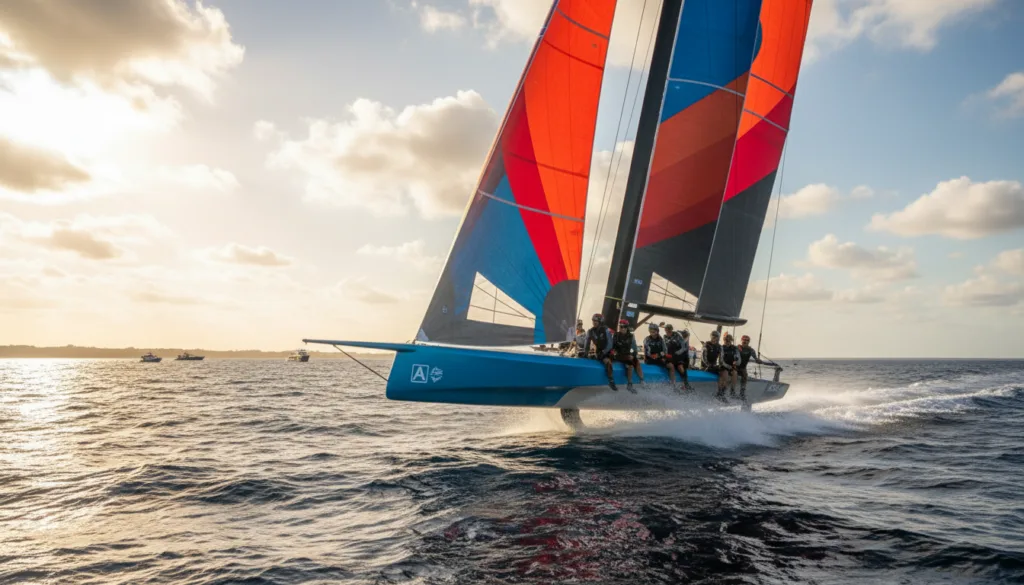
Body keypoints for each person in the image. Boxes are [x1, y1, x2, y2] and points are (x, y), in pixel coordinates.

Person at [584, 313, 616, 390]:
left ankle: (611, 380)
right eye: (593, 320)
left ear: (600, 322)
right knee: (585, 356)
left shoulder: (606, 330)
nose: (594, 322)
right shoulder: (590, 331)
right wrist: (585, 353)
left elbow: (610, 344)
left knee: (607, 362)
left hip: (607, 352)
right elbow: (587, 344)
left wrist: (604, 352)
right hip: (598, 352)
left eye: (596, 321)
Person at [737, 334, 769, 401]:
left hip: (742, 367)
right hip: (734, 366)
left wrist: (758, 360)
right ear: (741, 340)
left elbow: (755, 358)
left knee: (745, 375)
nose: (745, 341)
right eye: (744, 340)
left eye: (747, 340)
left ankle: (742, 392)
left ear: (748, 342)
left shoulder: (751, 350)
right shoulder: (737, 348)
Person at [611, 319, 640, 393]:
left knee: (634, 361)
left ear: (627, 327)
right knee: (630, 363)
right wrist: (613, 351)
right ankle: (628, 383)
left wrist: (632, 354)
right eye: (621, 327)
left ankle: (635, 381)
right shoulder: (616, 335)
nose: (623, 328)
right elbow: (613, 346)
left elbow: (634, 348)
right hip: (618, 355)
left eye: (624, 327)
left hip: (627, 355)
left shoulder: (631, 336)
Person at [663, 324, 692, 391]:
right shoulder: (664, 337)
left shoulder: (677, 335)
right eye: (667, 331)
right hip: (669, 356)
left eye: (669, 330)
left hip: (677, 355)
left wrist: (676, 353)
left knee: (680, 367)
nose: (668, 332)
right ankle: (673, 385)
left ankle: (686, 384)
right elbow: (664, 348)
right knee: (671, 366)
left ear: (672, 329)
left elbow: (683, 347)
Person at [702, 330, 727, 401]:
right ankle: (720, 393)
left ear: (718, 338)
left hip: (714, 366)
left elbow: (721, 360)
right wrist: (708, 365)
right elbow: (704, 358)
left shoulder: (719, 347)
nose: (714, 338)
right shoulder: (706, 344)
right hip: (705, 366)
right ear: (711, 337)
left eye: (716, 337)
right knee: (720, 372)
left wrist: (723, 366)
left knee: (724, 371)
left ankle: (721, 393)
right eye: (713, 337)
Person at [721, 333, 741, 399]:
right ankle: (722, 393)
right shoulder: (721, 348)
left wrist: (736, 362)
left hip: (732, 366)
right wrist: (727, 366)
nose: (727, 342)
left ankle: (732, 391)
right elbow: (720, 360)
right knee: (726, 374)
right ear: (724, 340)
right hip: (723, 366)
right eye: (726, 340)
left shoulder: (735, 348)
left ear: (731, 341)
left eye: (729, 340)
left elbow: (738, 359)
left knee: (735, 373)